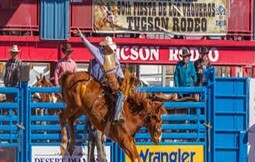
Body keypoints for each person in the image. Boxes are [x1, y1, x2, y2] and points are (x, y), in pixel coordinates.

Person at [77, 29, 125, 124]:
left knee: (125, 93)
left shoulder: (114, 55)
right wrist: (82, 36)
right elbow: (89, 46)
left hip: (115, 78)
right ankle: (116, 116)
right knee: (120, 95)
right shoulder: (99, 53)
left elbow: (118, 67)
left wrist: (122, 78)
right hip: (106, 79)